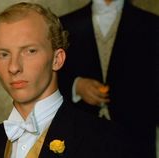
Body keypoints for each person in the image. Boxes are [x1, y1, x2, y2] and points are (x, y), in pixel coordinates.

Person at [0, 2, 135, 158]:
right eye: (3, 54)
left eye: (30, 51)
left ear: (57, 59)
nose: (13, 67)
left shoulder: (105, 141)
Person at [58, 0, 158, 158]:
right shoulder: (64, 24)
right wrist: (76, 86)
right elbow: (51, 77)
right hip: (81, 139)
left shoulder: (152, 24)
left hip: (136, 141)